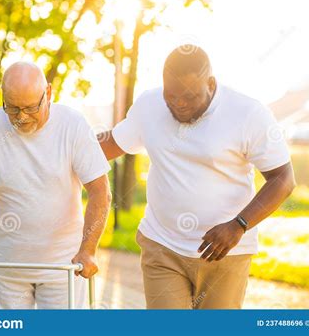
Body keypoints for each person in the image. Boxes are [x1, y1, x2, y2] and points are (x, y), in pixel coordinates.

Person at [99, 45, 296, 309]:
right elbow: (110, 144)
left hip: (225, 253)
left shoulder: (248, 113)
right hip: (162, 245)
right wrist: (57, 150)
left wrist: (238, 225)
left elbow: (283, 178)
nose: (179, 104)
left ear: (211, 84)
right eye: (172, 96)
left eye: (190, 97)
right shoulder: (149, 105)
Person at [0, 61, 112, 309]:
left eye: (30, 107)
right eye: (13, 108)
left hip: (64, 266)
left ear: (48, 93)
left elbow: (100, 191)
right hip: (7, 266)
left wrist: (88, 250)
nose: (22, 117)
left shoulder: (73, 125)